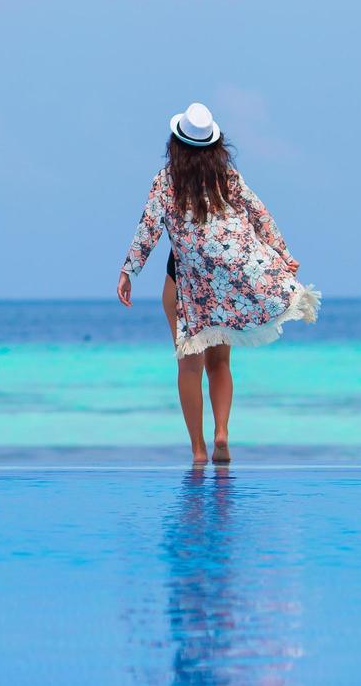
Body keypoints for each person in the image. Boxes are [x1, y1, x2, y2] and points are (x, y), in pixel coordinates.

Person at [116, 102, 320, 465]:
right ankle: (222, 432)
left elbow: (148, 229)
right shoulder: (227, 177)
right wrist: (284, 254)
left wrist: (129, 271)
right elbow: (260, 214)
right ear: (215, 144)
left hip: (186, 279)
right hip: (228, 279)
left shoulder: (166, 181)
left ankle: (197, 451)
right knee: (220, 362)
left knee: (188, 364)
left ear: (176, 142)